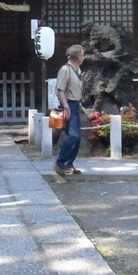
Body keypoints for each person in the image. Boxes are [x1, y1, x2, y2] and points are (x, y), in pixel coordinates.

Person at [54, 44, 85, 176]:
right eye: (82, 54)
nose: (83, 57)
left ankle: (69, 163)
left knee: (76, 137)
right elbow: (60, 90)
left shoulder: (77, 70)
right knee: (73, 135)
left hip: (75, 104)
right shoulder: (65, 70)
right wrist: (66, 107)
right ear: (78, 56)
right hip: (68, 105)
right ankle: (60, 162)